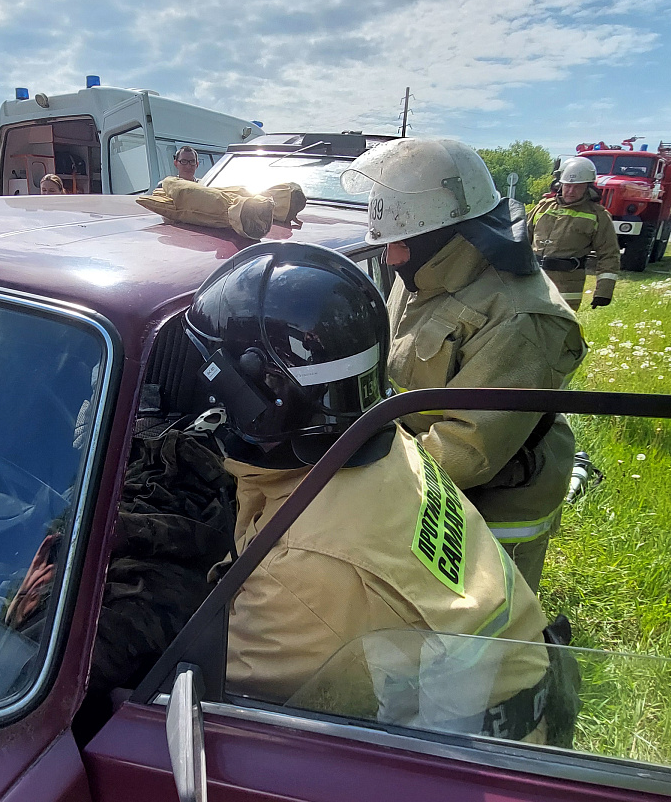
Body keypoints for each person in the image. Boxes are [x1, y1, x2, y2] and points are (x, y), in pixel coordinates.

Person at [186, 241, 572, 744]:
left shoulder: (300, 567)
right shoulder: (388, 447)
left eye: (214, 374)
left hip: (465, 773)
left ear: (259, 395)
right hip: (521, 710)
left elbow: (221, 710)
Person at [341, 138, 585, 592]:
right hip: (419, 474)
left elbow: (469, 451)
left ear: (450, 231)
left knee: (486, 631)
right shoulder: (425, 271)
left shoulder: (519, 317)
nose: (390, 257)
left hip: (497, 504)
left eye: (401, 243)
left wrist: (361, 475)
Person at [528, 155, 621, 310]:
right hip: (534, 279)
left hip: (568, 284)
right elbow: (520, 238)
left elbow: (609, 254)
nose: (571, 191)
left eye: (577, 186)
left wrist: (603, 291)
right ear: (559, 185)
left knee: (560, 329)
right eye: (567, 185)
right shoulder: (543, 207)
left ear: (588, 187)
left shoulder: (598, 215)